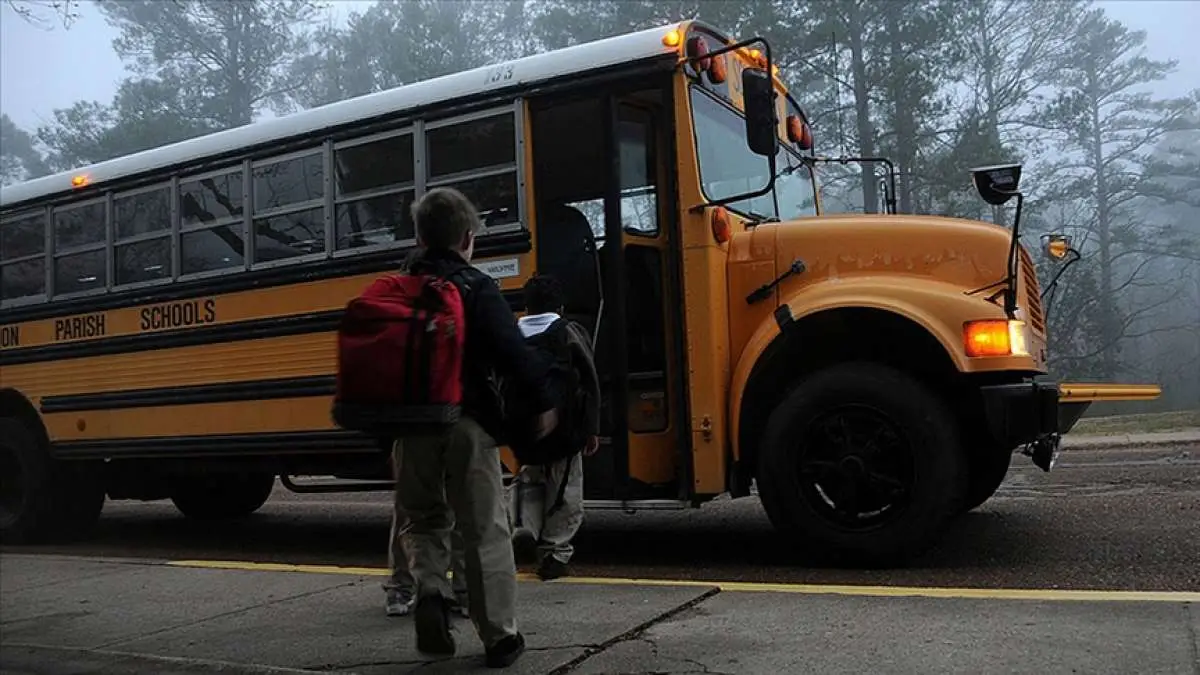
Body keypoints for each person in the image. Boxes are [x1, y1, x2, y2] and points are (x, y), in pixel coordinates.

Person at [393, 186, 557, 669]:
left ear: (421, 236)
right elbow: (513, 353)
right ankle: (500, 637)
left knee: (422, 520)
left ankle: (428, 588)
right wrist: (545, 402)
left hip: (410, 428)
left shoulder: (397, 288)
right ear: (467, 237)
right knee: (484, 528)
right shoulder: (475, 286)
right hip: (467, 423)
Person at [509, 274, 601, 580]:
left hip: (525, 432)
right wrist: (591, 428)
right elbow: (589, 382)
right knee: (565, 489)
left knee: (529, 482)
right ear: (559, 305)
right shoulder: (569, 333)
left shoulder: (512, 335)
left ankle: (526, 529)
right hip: (565, 430)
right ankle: (556, 552)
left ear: (527, 304)